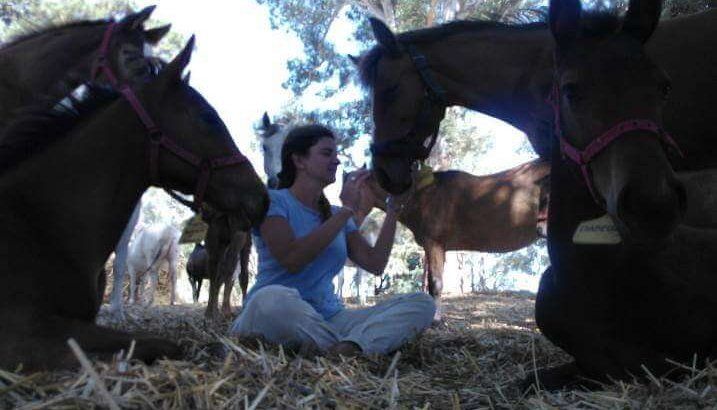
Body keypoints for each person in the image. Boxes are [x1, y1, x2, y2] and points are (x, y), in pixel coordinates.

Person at [230, 124, 435, 357]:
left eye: (336, 155)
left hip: (330, 318)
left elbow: (375, 264)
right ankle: (349, 347)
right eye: (327, 153)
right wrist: (348, 209)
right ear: (299, 161)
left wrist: (393, 208)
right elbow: (292, 259)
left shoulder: (337, 214)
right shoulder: (274, 202)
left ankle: (346, 349)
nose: (337, 161)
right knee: (271, 299)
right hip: (275, 315)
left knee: (422, 303)